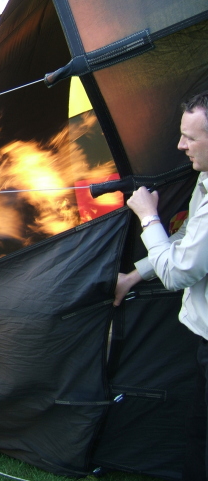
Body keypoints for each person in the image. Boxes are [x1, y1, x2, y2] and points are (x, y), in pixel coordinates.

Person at [114, 91, 208, 480]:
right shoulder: (204, 179)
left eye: (190, 137)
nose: (180, 145)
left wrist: (148, 217)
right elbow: (187, 241)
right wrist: (134, 275)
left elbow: (179, 272)